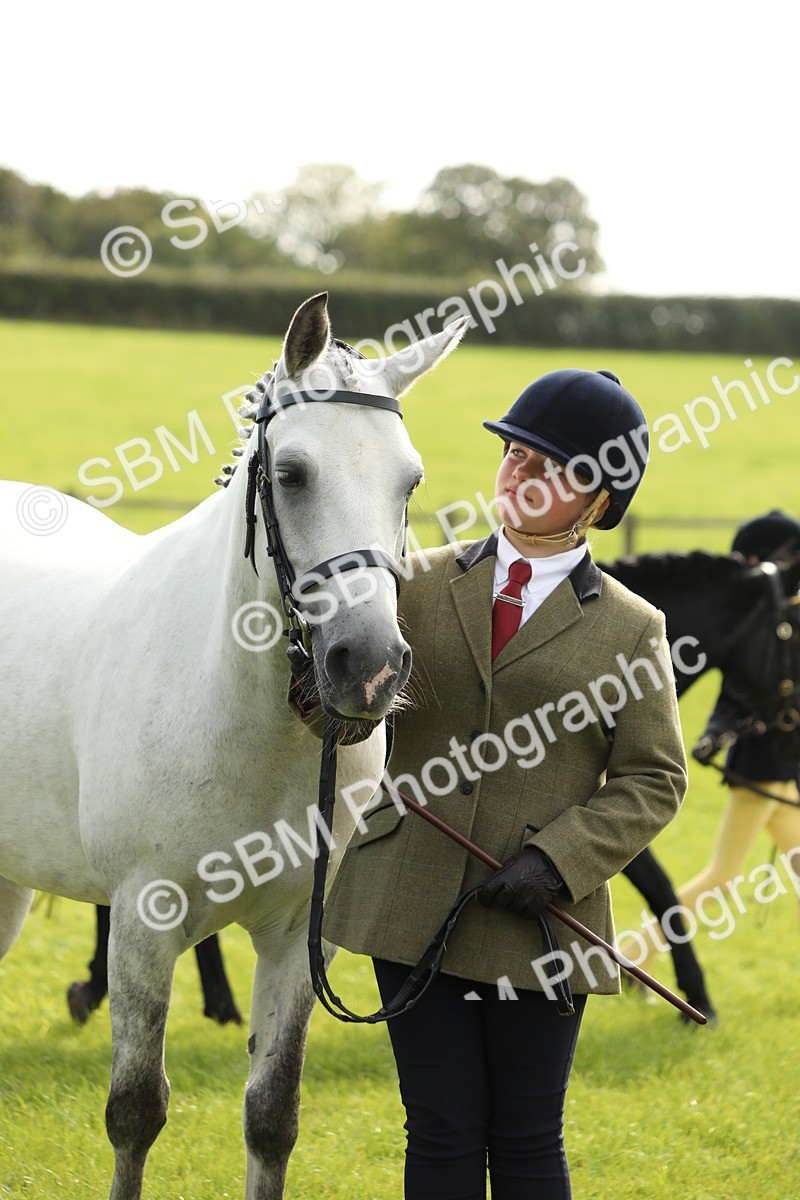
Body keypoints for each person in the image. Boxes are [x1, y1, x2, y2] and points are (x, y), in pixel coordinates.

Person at [323, 369, 688, 1200]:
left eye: (549, 466)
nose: (519, 474)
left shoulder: (634, 630)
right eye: (515, 454)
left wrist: (559, 861)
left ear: (599, 501)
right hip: (408, 904)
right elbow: (346, 721)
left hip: (540, 924)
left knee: (525, 1140)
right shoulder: (408, 581)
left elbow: (653, 777)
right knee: (442, 1130)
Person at [680, 511, 800, 916]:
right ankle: (631, 955)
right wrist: (714, 733)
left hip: (783, 774)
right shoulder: (766, 629)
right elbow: (734, 694)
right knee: (722, 877)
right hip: (760, 769)